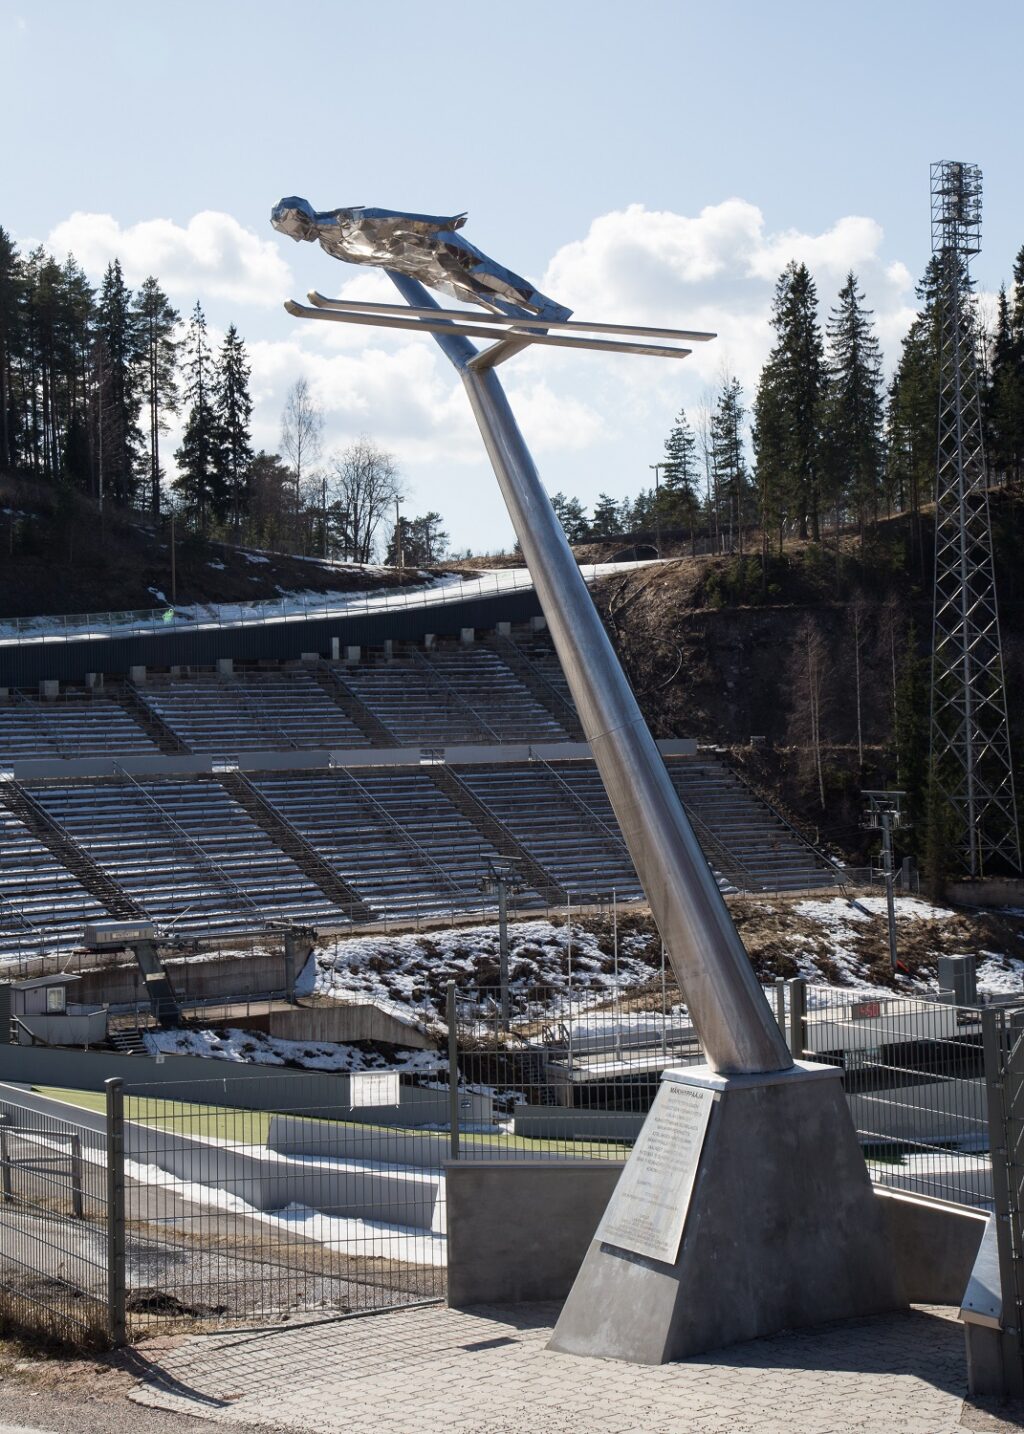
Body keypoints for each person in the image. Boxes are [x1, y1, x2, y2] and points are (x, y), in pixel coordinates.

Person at [271, 196, 570, 321]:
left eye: (296, 230)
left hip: (432, 244)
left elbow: (391, 218)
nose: (299, 238)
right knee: (470, 293)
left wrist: (439, 223)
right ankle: (519, 318)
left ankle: (549, 309)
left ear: (303, 218)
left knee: (485, 275)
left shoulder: (343, 220)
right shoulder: (329, 247)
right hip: (418, 265)